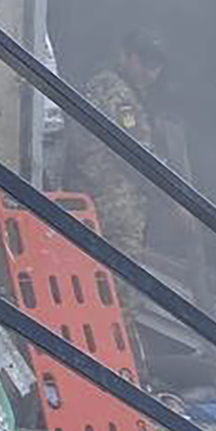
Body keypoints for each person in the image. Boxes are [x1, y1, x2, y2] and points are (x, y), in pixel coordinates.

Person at [70, 30, 177, 263]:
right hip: (110, 209)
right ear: (124, 55)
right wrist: (174, 200)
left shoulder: (126, 92)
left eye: (156, 67)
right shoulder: (114, 90)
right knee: (121, 285)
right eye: (144, 63)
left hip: (108, 206)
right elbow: (137, 155)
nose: (150, 73)